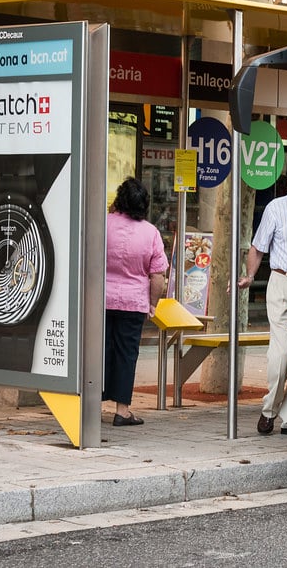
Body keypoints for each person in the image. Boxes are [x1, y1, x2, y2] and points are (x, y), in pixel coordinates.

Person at [237, 162, 287, 438]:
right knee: (282, 352)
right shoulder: (275, 209)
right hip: (282, 282)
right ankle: (269, 410)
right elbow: (258, 247)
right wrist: (249, 276)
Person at [104, 177, 168, 427]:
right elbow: (158, 276)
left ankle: (91, 402)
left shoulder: (103, 224)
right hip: (133, 303)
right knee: (126, 354)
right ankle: (122, 411)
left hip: (102, 301)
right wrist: (152, 303)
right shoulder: (150, 232)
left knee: (100, 351)